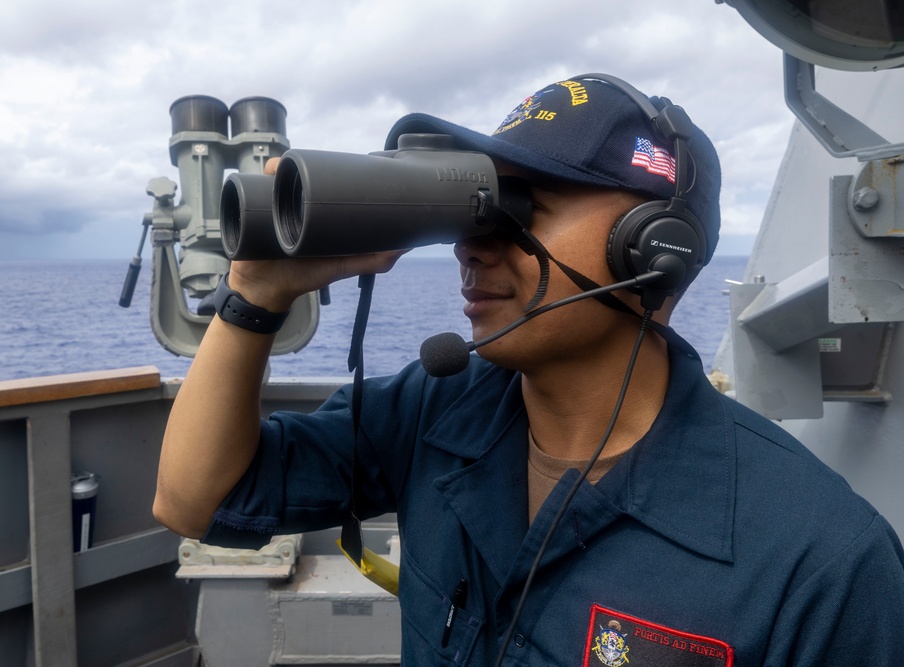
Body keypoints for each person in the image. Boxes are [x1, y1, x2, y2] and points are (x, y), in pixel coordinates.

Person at [154, 75, 904, 666]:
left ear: (653, 248)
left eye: (521, 206)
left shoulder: (824, 562)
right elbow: (196, 500)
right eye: (476, 209)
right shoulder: (438, 408)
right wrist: (257, 296)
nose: (473, 246)